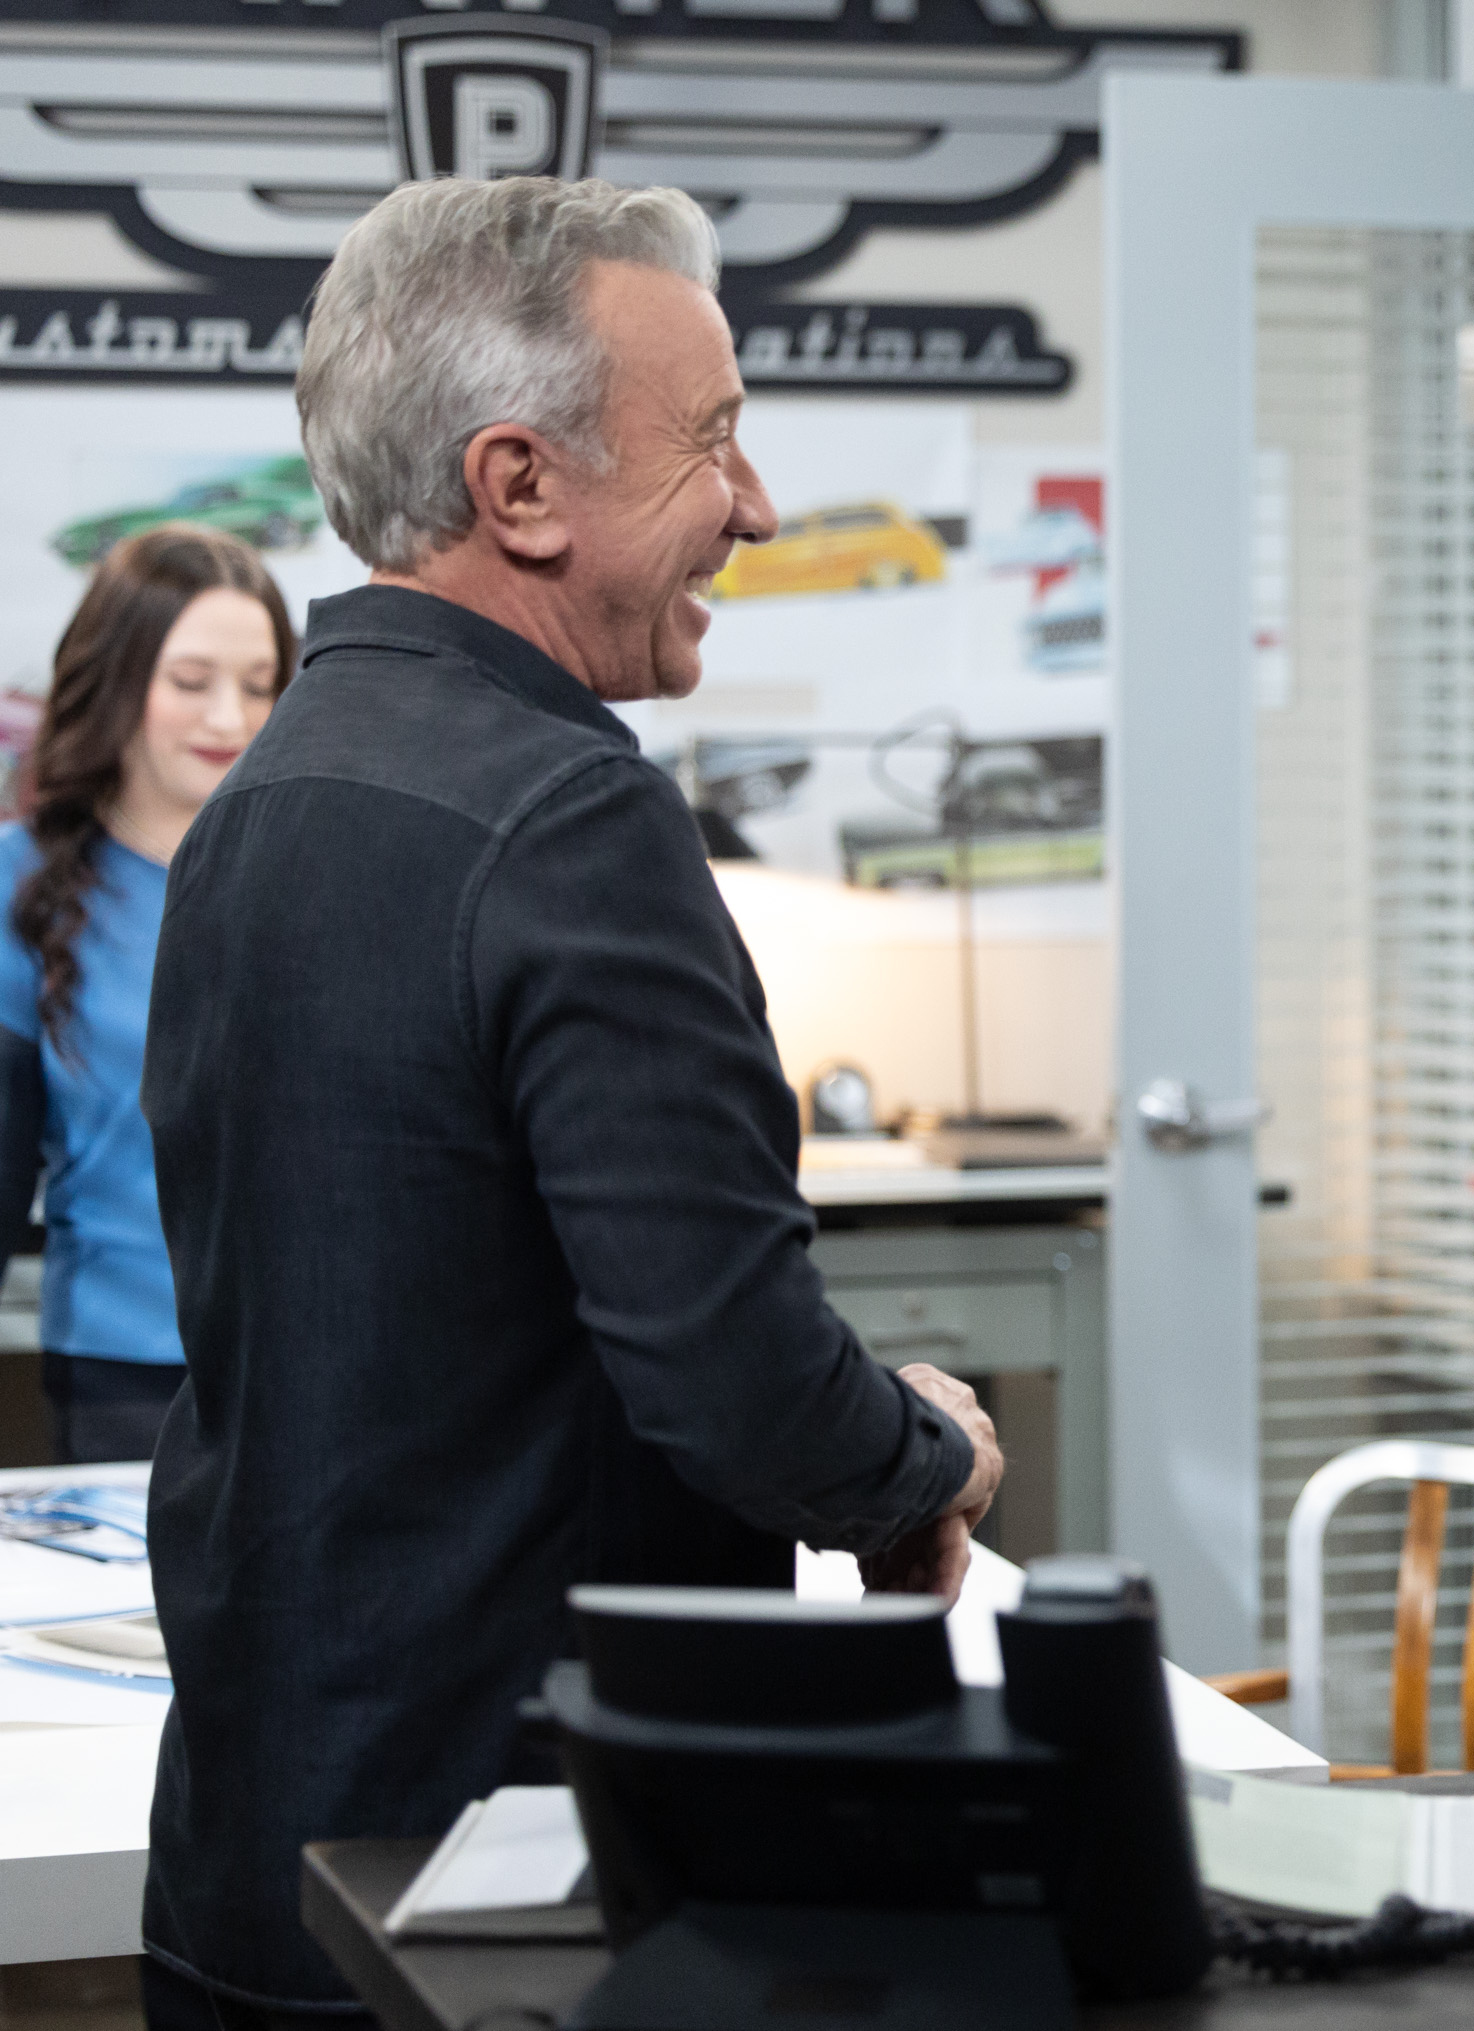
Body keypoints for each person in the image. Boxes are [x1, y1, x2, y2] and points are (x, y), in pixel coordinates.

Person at [136, 177, 1003, 2029]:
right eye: (711, 441)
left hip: (258, 1864)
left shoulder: (263, 799)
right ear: (520, 486)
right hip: (517, 1890)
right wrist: (927, 1456)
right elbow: (738, 1380)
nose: (754, 508)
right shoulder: (573, 821)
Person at [0, 527, 289, 1463]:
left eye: (260, 684)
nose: (230, 717)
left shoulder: (319, 874)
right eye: (192, 680)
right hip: (119, 1373)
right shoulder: (20, 886)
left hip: (319, 1364)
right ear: (118, 679)